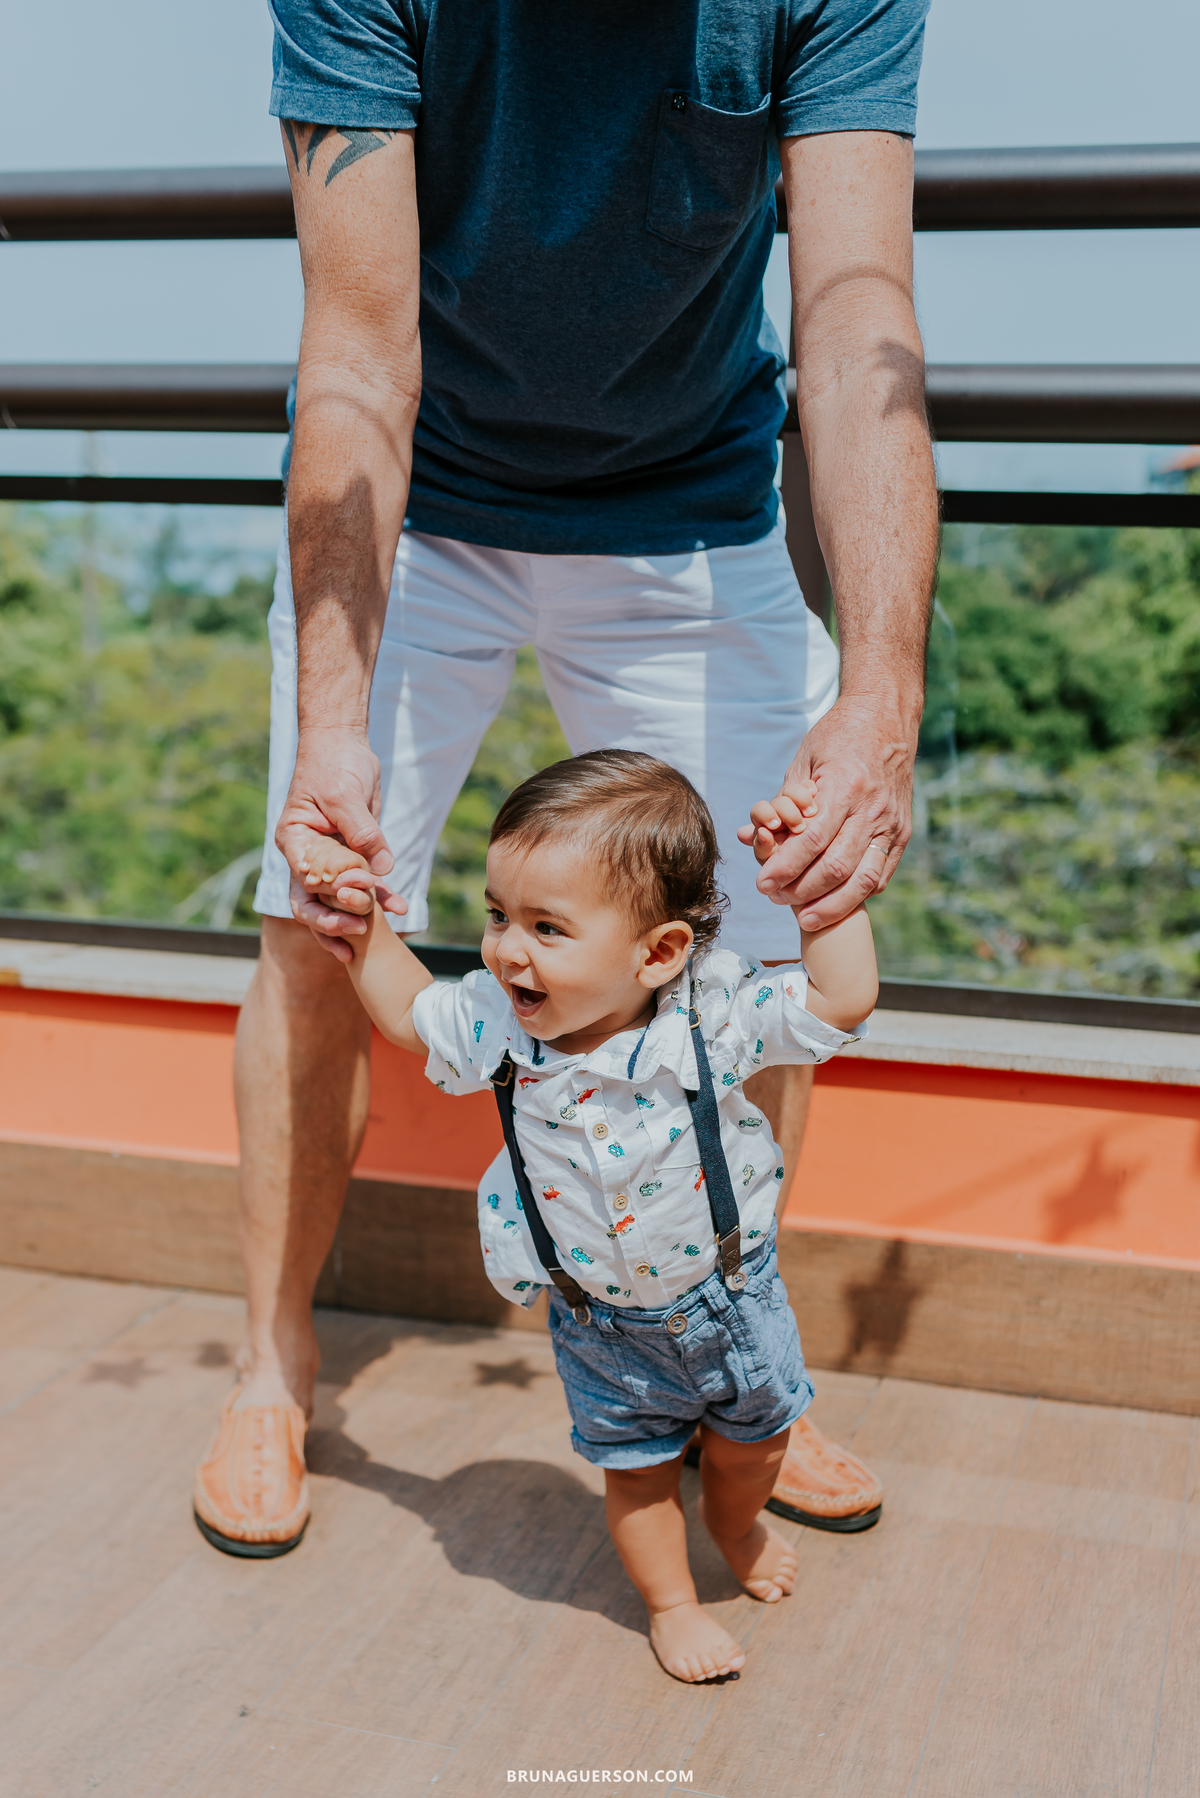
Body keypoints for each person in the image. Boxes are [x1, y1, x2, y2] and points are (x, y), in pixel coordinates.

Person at [191, 0, 937, 1555]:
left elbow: (859, 324)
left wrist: (881, 694)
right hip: (419, 509)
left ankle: (744, 1378)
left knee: (777, 923)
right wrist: (334, 724)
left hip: (696, 512)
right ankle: (270, 1366)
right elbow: (354, 350)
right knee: (316, 928)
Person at [280, 750, 876, 1681]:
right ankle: (671, 1604)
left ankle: (738, 1528)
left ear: (660, 951)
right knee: (636, 1478)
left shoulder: (711, 1012)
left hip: (734, 1302)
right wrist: (363, 933)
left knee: (750, 1455)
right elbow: (411, 1016)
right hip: (602, 1327)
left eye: (547, 927)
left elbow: (842, 998)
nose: (509, 948)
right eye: (497, 915)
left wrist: (823, 901)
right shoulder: (503, 1026)